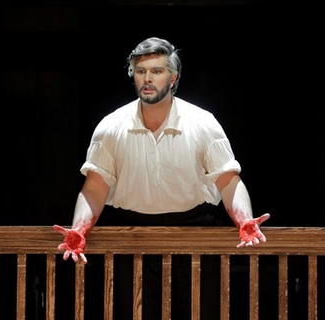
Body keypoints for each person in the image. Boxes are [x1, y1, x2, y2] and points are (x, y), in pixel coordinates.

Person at [54, 36, 270, 320]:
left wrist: (244, 221)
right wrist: (79, 229)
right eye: (141, 71)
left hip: (195, 231)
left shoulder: (203, 122)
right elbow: (95, 186)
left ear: (173, 78)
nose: (147, 78)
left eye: (157, 71)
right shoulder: (111, 126)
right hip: (132, 235)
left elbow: (228, 180)